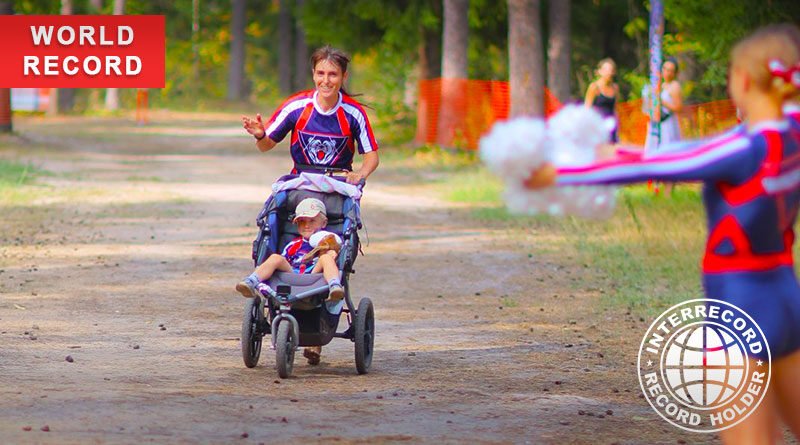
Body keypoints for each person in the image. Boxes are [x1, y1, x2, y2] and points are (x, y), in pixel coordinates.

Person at [525, 24, 800, 444]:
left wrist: (556, 173)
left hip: (739, 308)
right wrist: (623, 150)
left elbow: (659, 167)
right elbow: (683, 154)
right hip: (786, 297)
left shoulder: (745, 148)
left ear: (742, 80)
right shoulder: (793, 135)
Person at [241, 45, 379, 185]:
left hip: (339, 186)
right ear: (313, 74)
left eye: (333, 74)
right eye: (320, 73)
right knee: (272, 206)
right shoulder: (296, 106)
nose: (325, 81)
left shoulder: (354, 113)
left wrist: (361, 174)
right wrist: (260, 135)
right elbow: (265, 146)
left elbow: (371, 155)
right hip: (300, 184)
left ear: (344, 76)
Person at [236, 198, 344, 365]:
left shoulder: (328, 243)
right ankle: (251, 281)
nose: (306, 225)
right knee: (276, 258)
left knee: (326, 259)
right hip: (292, 275)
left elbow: (334, 255)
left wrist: (329, 253)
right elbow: (285, 261)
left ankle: (334, 286)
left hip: (314, 278)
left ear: (324, 223)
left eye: (311, 221)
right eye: (301, 221)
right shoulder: (293, 245)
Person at [643, 57, 683, 153]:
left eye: (670, 70)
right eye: (665, 69)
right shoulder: (660, 85)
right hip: (657, 122)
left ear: (675, 73)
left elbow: (678, 108)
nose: (667, 72)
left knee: (668, 151)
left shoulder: (675, 86)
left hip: (668, 123)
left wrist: (662, 101)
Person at [584, 58, 621, 143]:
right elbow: (587, 109)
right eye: (605, 69)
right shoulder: (594, 87)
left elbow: (615, 108)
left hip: (611, 126)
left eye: (610, 70)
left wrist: (618, 125)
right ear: (599, 71)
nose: (608, 72)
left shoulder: (615, 88)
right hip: (598, 126)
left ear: (613, 72)